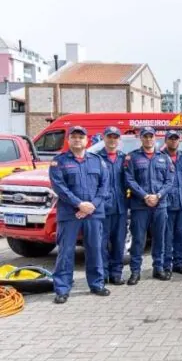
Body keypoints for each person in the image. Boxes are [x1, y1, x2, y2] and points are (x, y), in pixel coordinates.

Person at [48, 126, 110, 304]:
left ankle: (97, 284)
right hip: (70, 214)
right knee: (66, 252)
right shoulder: (58, 162)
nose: (77, 140)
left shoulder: (97, 161)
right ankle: (62, 289)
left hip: (94, 213)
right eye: (73, 137)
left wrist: (92, 206)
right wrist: (79, 204)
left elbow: (104, 186)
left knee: (95, 249)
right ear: (68, 141)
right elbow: (59, 187)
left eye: (80, 137)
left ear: (87, 141)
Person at [125, 127, 174, 284]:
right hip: (140, 205)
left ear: (155, 138)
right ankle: (135, 271)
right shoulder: (132, 158)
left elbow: (169, 181)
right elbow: (129, 180)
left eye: (150, 136)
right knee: (138, 239)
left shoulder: (164, 158)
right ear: (141, 138)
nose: (148, 139)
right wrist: (145, 195)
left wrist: (158, 195)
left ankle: (158, 268)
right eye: (145, 136)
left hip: (160, 205)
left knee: (159, 238)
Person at [97, 126, 128, 285]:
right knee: (101, 244)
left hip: (121, 207)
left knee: (119, 243)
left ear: (119, 140)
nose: (112, 140)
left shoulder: (124, 159)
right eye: (109, 136)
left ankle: (116, 273)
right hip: (102, 208)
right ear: (104, 137)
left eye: (115, 137)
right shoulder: (96, 158)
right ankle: (102, 274)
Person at [163, 130, 182, 276]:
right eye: (171, 139)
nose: (173, 141)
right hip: (167, 204)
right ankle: (166, 265)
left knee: (181, 235)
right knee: (167, 236)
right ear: (166, 141)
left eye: (176, 139)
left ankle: (178, 263)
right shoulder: (160, 158)